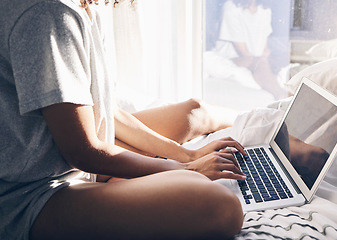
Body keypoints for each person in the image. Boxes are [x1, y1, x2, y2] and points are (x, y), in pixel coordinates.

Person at [0, 0, 247, 239]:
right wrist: (187, 169)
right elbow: (83, 152)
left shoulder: (84, 6)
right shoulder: (49, 13)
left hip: (74, 158)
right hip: (32, 194)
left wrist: (187, 155)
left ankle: (271, 124)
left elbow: (106, 112)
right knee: (221, 207)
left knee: (194, 112)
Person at [215, 0, 286, 99]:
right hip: (230, 59)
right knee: (259, 62)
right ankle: (280, 94)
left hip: (255, 57)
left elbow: (264, 47)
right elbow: (244, 52)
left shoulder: (264, 9)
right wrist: (262, 60)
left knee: (280, 58)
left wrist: (265, 56)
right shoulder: (231, 7)